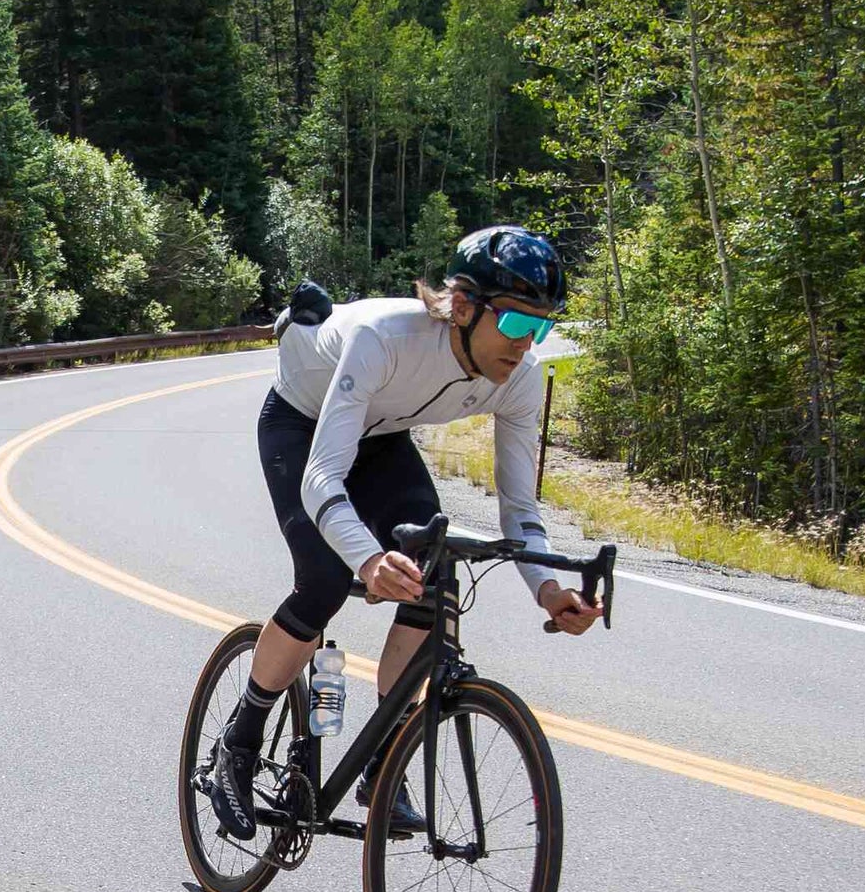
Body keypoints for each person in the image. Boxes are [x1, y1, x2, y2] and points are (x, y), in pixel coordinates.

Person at [208, 226, 601, 841]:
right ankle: (239, 740)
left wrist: (549, 591)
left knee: (433, 576)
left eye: (543, 328)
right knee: (325, 579)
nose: (528, 346)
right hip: (302, 423)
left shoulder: (520, 380)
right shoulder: (385, 339)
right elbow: (320, 478)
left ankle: (382, 762)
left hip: (382, 435)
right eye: (519, 326)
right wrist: (367, 560)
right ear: (463, 308)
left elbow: (521, 510)